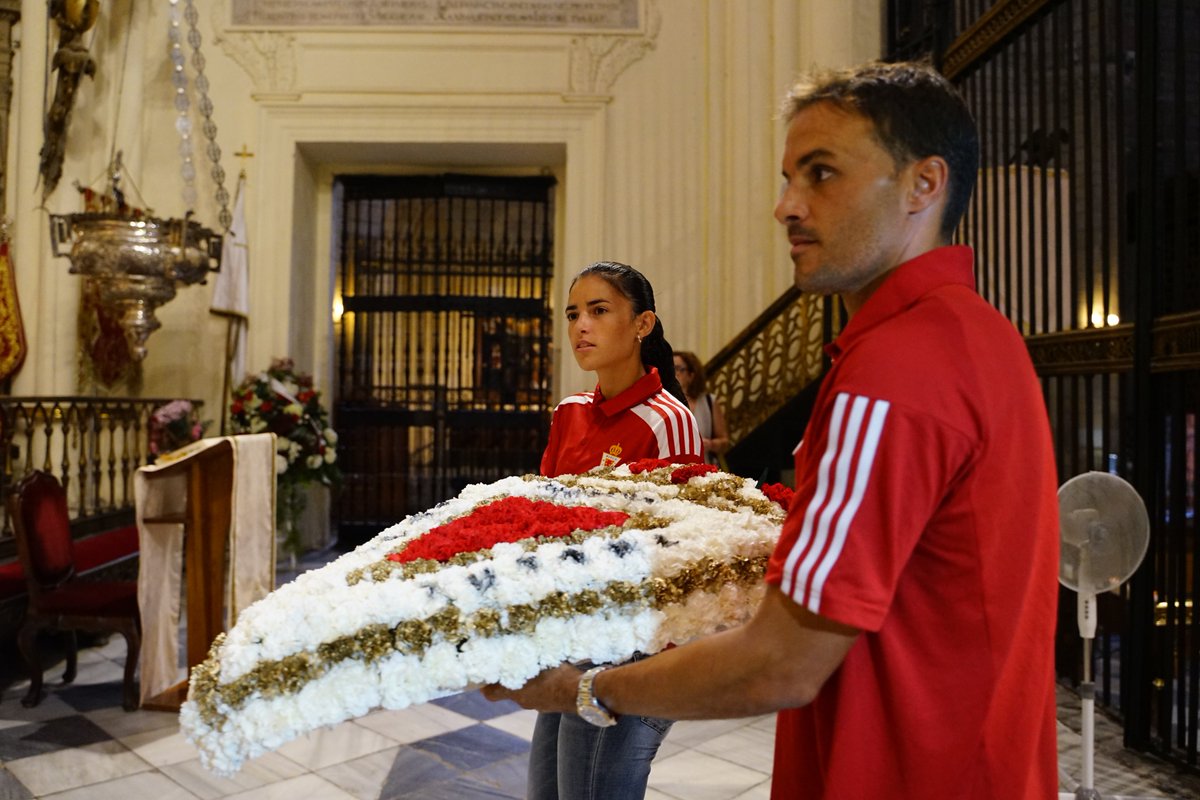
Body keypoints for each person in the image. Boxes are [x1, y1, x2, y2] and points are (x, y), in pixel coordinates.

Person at [485, 60, 1060, 799]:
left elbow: (783, 663)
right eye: (788, 176)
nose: (786, 205)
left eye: (821, 174)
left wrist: (583, 687)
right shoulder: (982, 337)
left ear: (924, 184)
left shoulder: (890, 376)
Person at [534, 260, 703, 799]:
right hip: (571, 632)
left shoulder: (668, 419)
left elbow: (680, 547)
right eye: (573, 314)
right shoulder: (570, 412)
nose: (581, 325)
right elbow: (541, 521)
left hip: (632, 644)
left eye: (599, 311)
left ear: (642, 324)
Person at [672, 350, 731, 466]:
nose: (674, 373)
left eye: (678, 369)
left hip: (704, 468)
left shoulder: (709, 401)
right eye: (671, 368)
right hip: (672, 467)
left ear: (691, 375)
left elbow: (724, 441)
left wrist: (710, 444)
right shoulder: (664, 400)